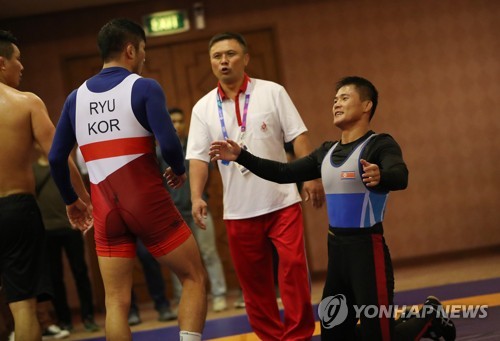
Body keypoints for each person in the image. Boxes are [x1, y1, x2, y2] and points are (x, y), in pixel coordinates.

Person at [209, 76, 456, 340]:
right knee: (334, 335)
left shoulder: (380, 144)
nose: (336, 103)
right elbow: (284, 172)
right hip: (337, 255)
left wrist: (382, 176)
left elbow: (401, 175)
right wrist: (241, 156)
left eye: (345, 98)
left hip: (367, 253)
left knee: (378, 335)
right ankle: (423, 318)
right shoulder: (326, 151)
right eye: (335, 99)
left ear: (366, 106)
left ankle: (429, 318)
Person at [48, 18, 208, 341]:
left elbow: (55, 158)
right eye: (144, 51)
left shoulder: (74, 99)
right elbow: (171, 143)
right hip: (146, 201)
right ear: (131, 49)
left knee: (116, 303)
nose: (144, 58)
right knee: (193, 278)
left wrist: (71, 201)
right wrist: (177, 169)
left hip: (105, 209)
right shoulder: (143, 86)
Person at [185, 32, 324, 340]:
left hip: (282, 201)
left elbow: (298, 137)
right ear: (211, 63)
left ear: (245, 58)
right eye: (217, 56)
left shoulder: (272, 92)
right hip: (238, 210)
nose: (223, 61)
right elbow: (196, 158)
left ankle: (299, 335)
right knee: (254, 284)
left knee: (293, 270)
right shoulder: (203, 108)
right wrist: (196, 197)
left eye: (230, 54)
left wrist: (311, 176)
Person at [0, 30, 91, 341]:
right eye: (18, 60)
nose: (22, 67)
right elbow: (58, 157)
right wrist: (82, 199)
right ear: (2, 63)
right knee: (23, 306)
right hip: (15, 209)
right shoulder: (25, 102)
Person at [158, 108, 228, 313]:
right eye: (173, 121)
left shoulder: (195, 146)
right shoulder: (161, 150)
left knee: (209, 253)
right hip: (174, 213)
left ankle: (219, 294)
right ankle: (183, 299)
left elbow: (208, 172)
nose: (177, 125)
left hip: (199, 208)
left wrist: (201, 196)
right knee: (179, 260)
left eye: (180, 121)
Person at [33, 152, 99, 332]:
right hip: (47, 229)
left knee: (80, 272)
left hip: (70, 226)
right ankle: (65, 320)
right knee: (55, 277)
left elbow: (76, 187)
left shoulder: (63, 163)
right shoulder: (33, 169)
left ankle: (88, 317)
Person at [128, 239, 177, 325]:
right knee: (122, 266)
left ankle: (162, 305)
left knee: (148, 255)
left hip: (139, 228)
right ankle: (130, 310)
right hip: (118, 230)